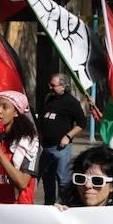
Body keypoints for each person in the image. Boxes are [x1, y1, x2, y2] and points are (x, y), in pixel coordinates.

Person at [37, 73, 87, 205]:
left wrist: (68, 136)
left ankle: (64, 205)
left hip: (61, 149)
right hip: (45, 148)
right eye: (50, 84)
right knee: (47, 180)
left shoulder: (71, 102)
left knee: (63, 180)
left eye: (53, 85)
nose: (50, 87)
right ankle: (49, 205)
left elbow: (82, 123)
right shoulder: (48, 98)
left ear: (64, 86)